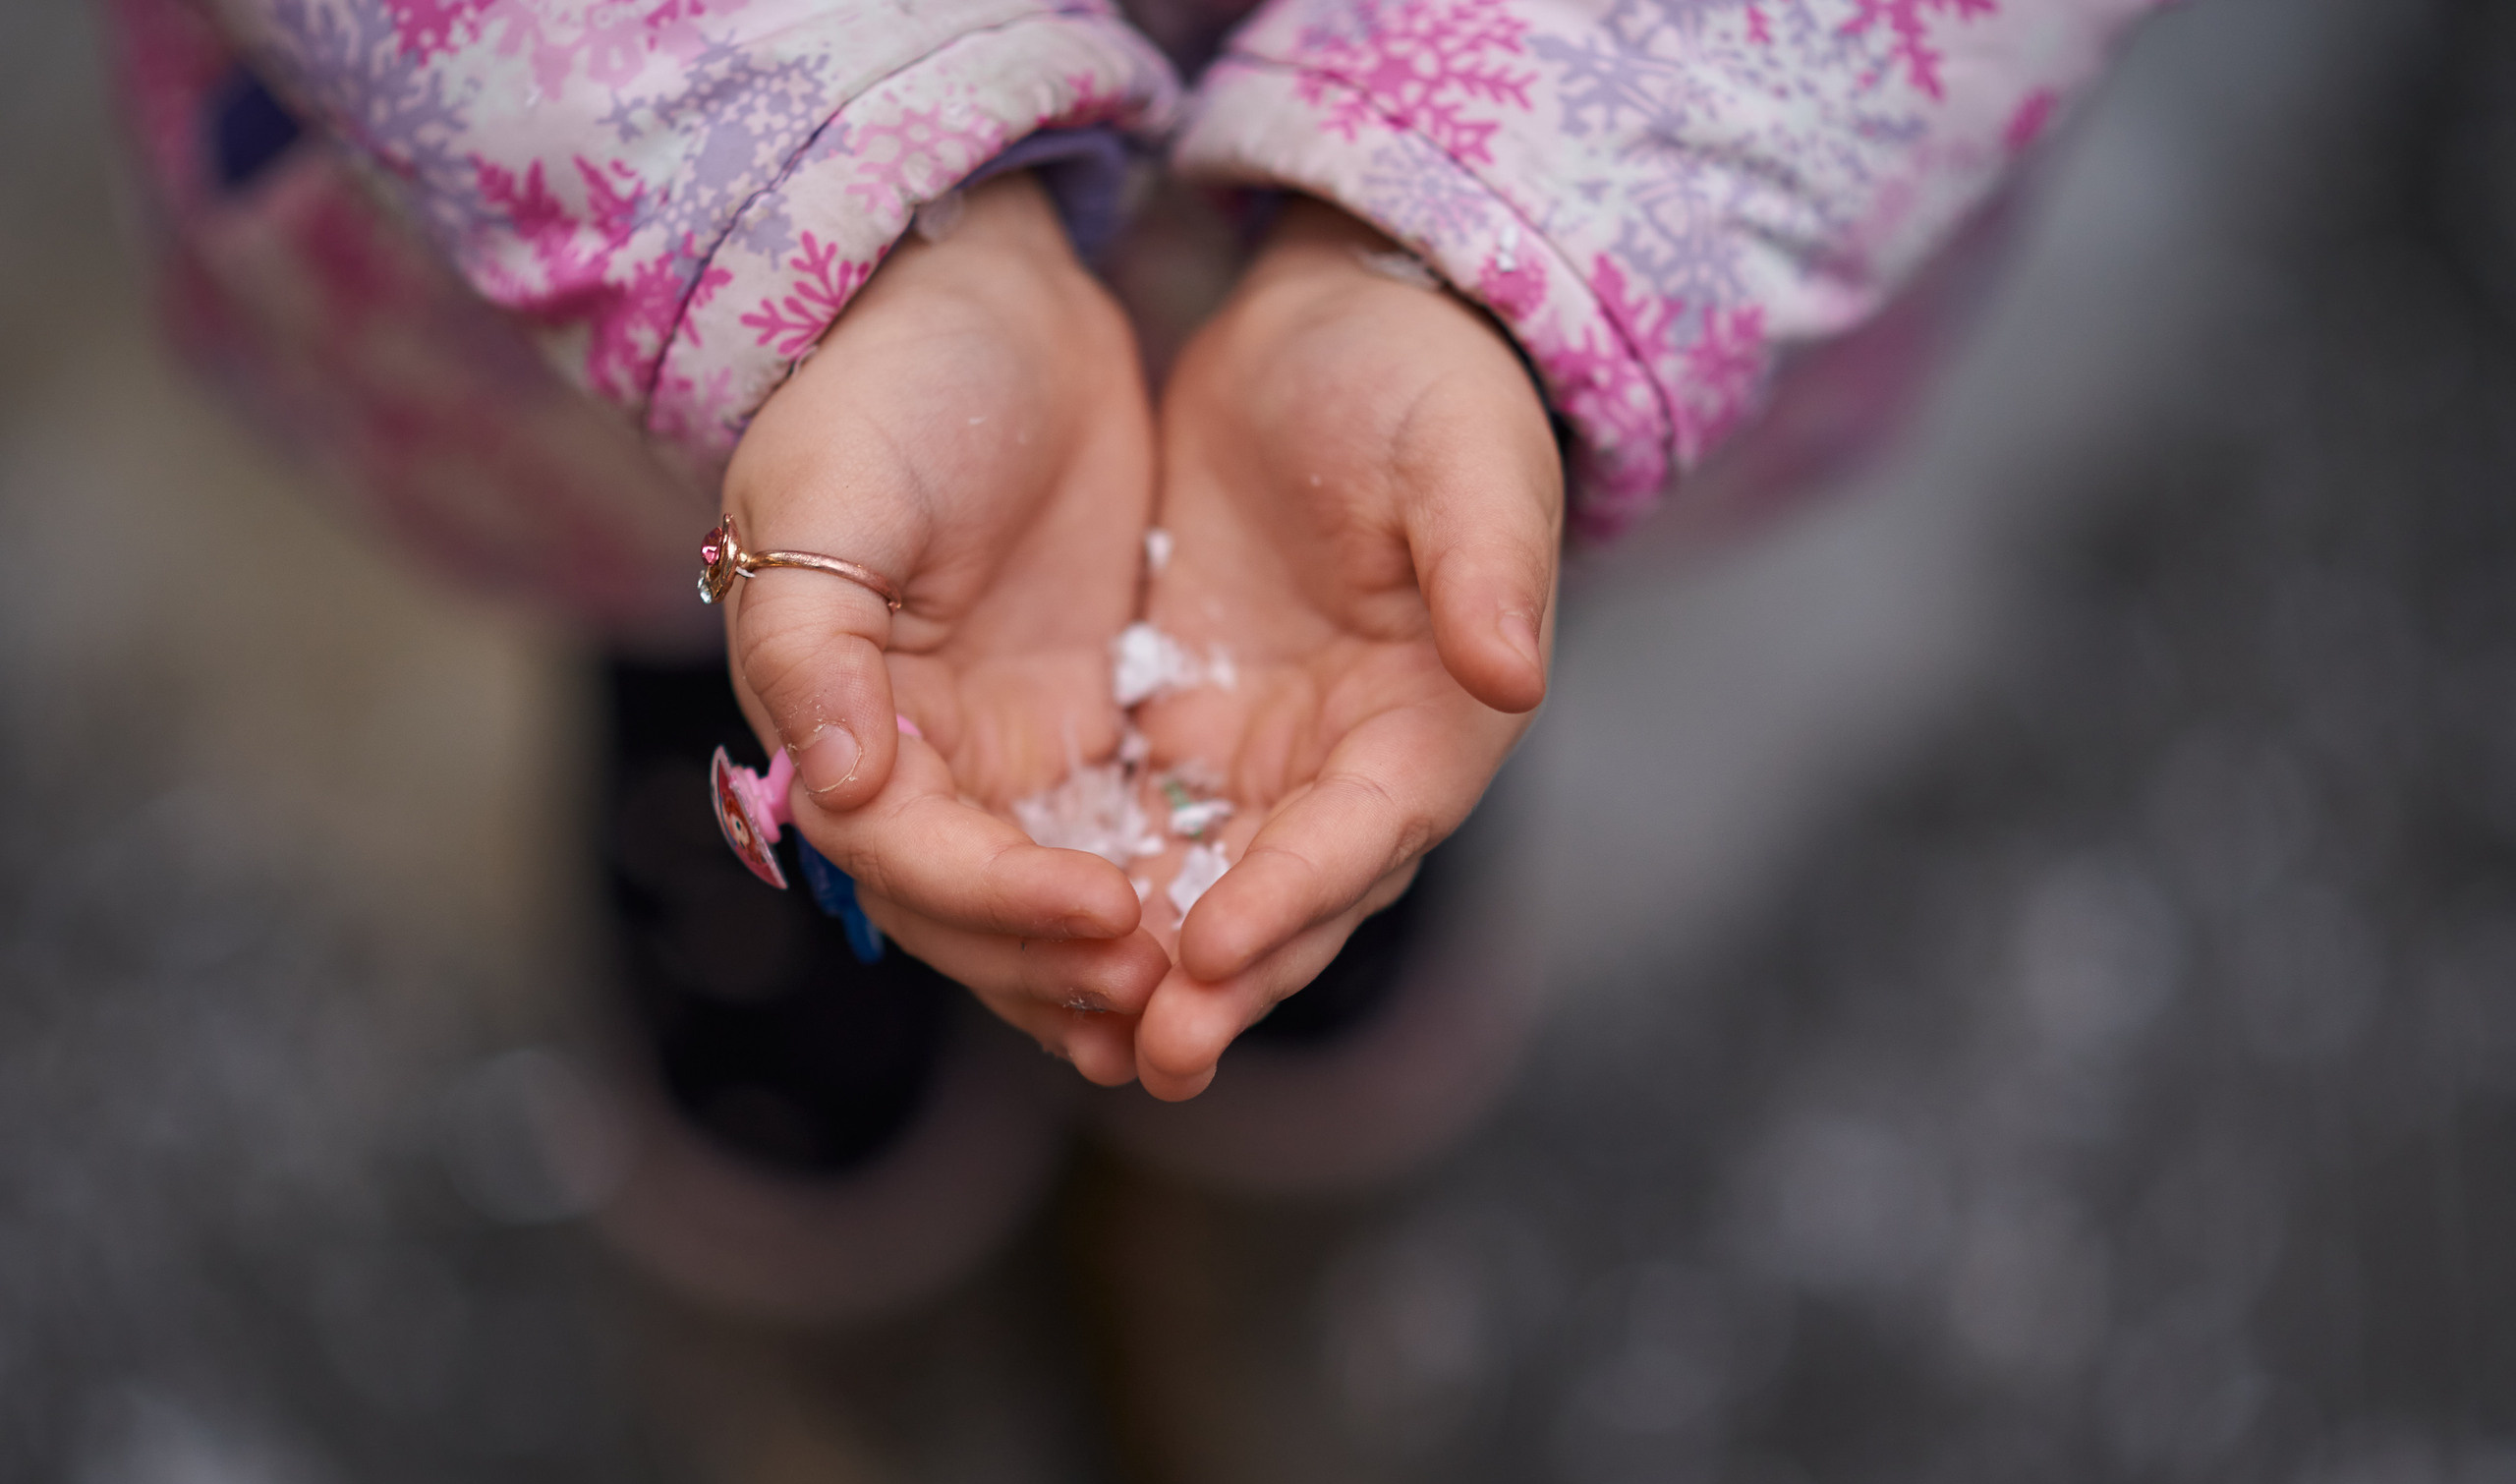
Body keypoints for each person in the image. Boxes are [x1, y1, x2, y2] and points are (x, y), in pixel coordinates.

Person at [102, 0, 2161, 1311]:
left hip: (1583, 263)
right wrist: (797, 187)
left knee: (1412, 654)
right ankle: (835, 1293)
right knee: (761, 682)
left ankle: (1253, 1274)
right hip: (629, 286)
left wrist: (1494, 198)